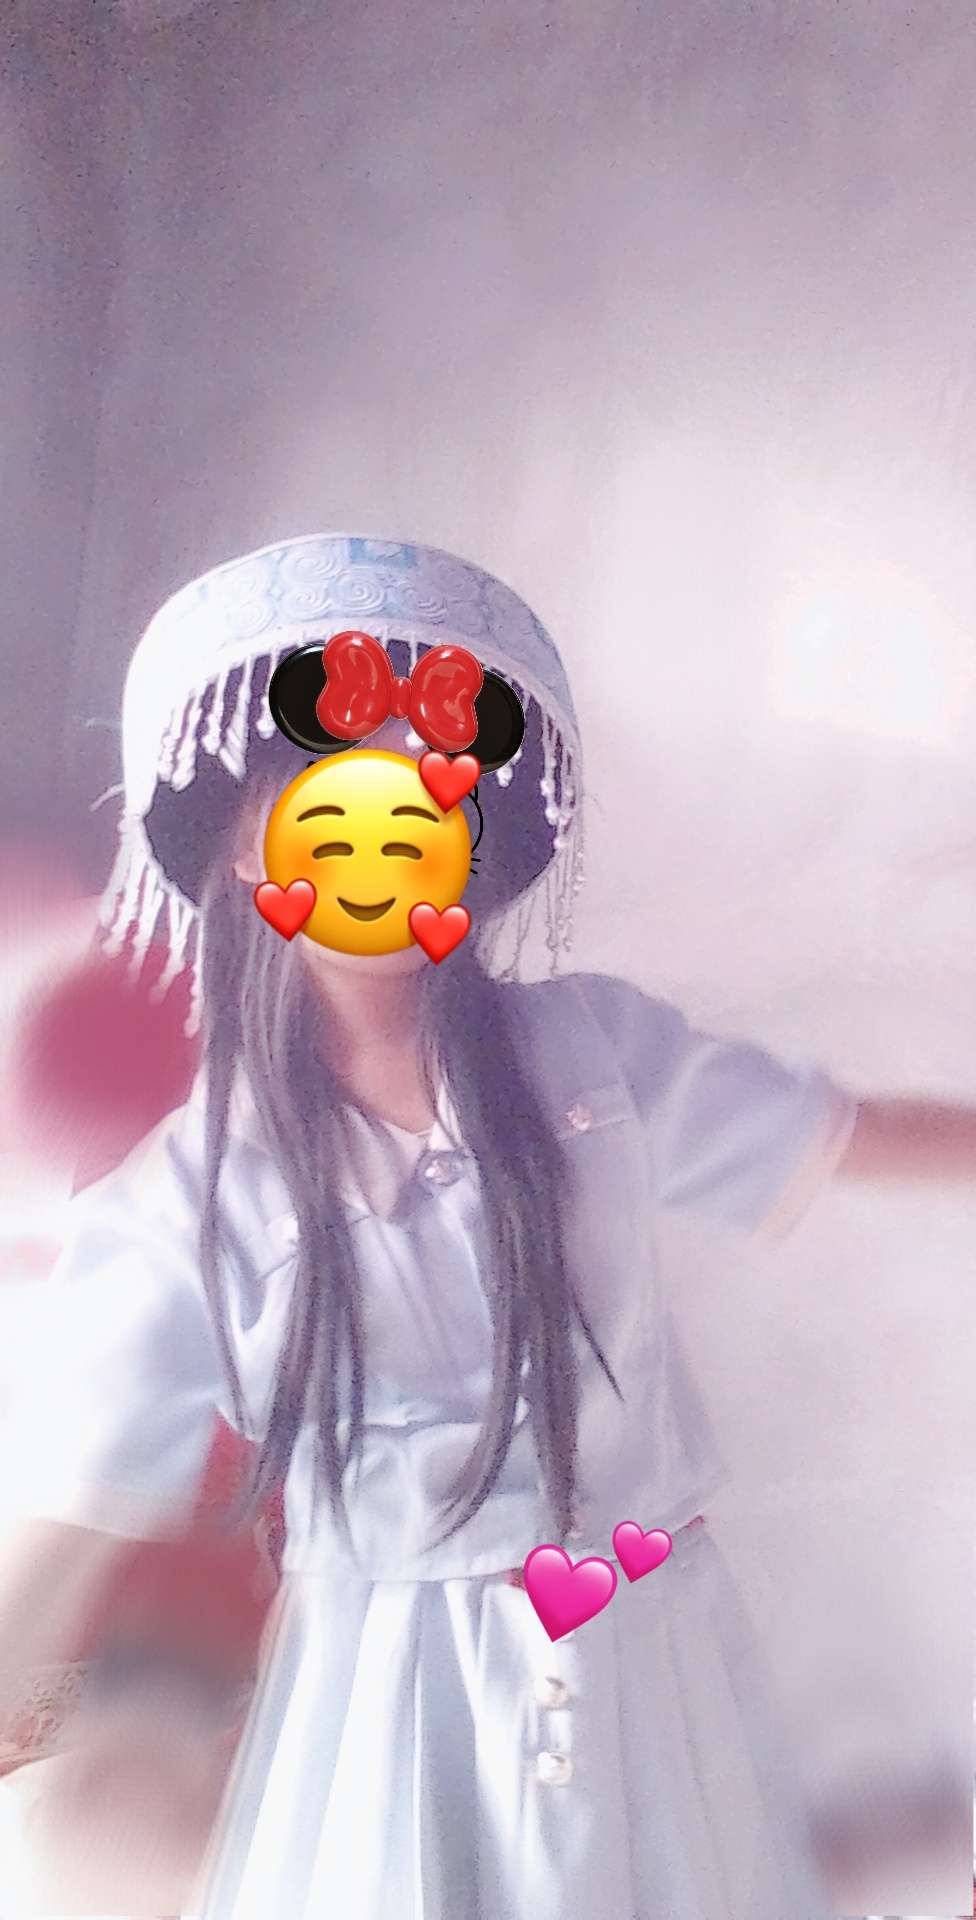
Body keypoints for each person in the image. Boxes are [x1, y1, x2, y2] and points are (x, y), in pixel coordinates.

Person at [1, 532, 974, 1920]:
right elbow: (69, 1512)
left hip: (642, 1646)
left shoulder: (596, 1056)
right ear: (246, 848)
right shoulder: (193, 1202)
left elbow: (836, 1135)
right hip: (393, 1690)